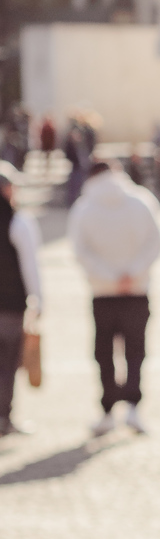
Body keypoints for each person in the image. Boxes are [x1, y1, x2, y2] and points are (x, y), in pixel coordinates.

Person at [68, 159, 160, 435]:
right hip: (136, 289)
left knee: (104, 352)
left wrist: (109, 276)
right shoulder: (142, 201)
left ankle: (108, 408)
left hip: (103, 292)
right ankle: (133, 406)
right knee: (135, 350)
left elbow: (80, 251)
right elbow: (155, 242)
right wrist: (132, 273)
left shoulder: (84, 208)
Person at [0, 161, 42, 437]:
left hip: (9, 304)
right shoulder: (17, 221)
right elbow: (30, 265)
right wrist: (39, 300)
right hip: (10, 305)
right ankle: (4, 417)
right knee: (7, 364)